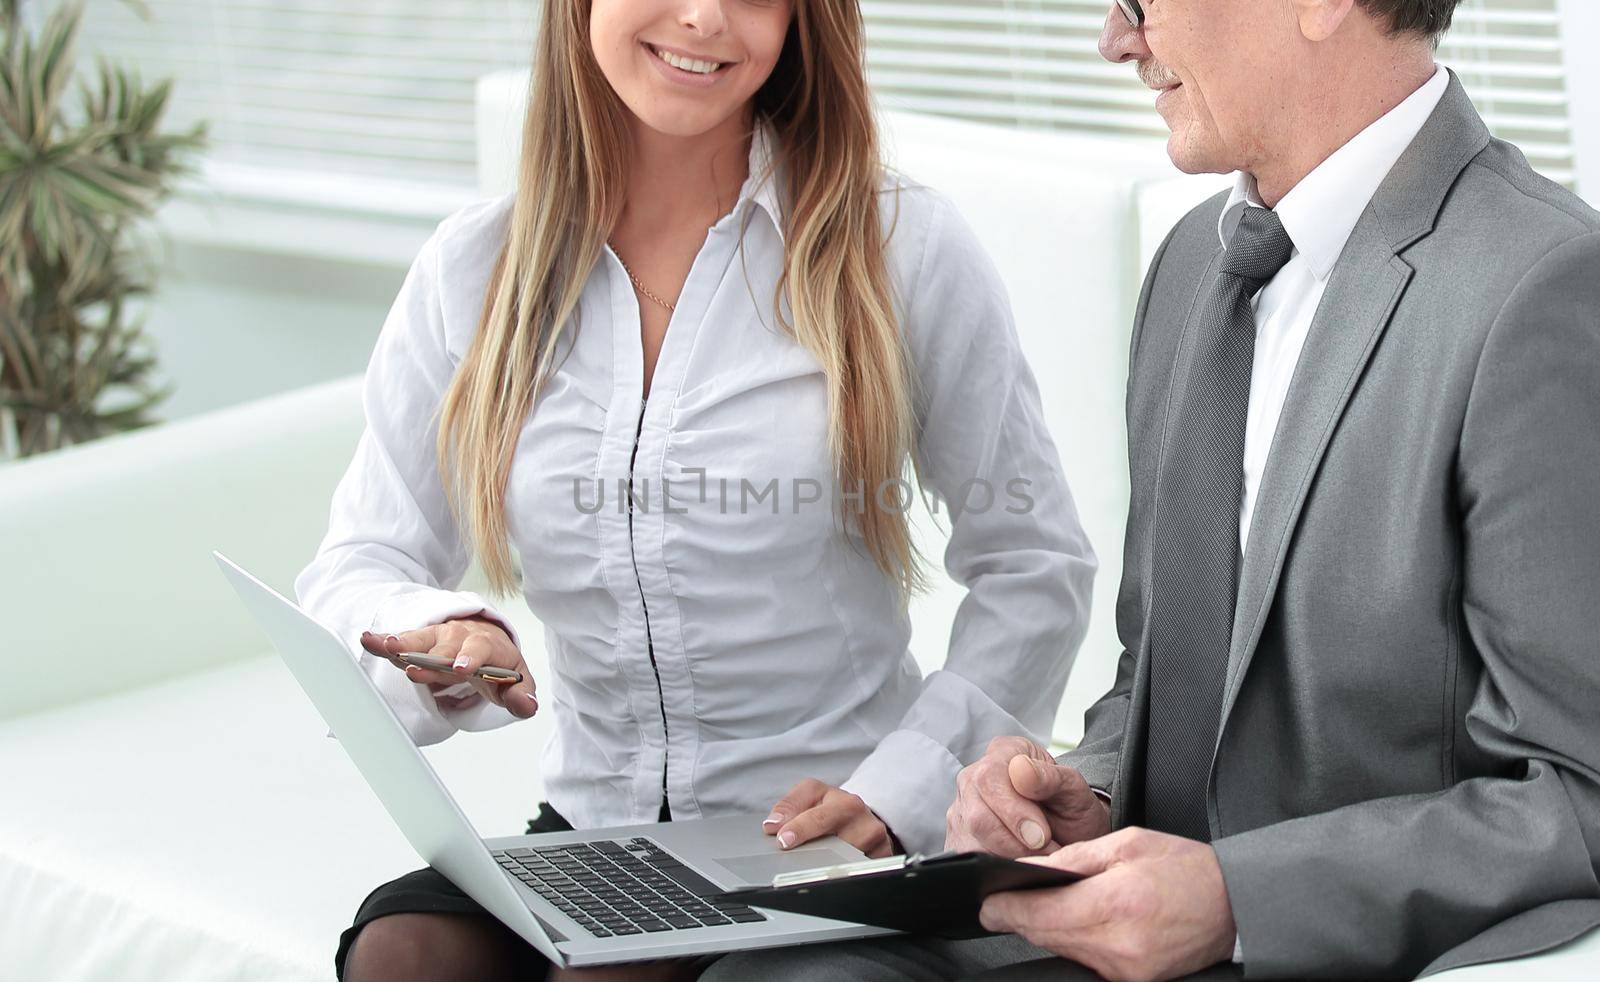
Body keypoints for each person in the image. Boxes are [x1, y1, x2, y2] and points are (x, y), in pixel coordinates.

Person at [705, 0, 1600, 979]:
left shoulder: (1542, 286)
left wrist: (1235, 903)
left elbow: (1579, 794)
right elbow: (1154, 679)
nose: (1114, 40)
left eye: (1140, 2)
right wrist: (1078, 794)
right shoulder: (1190, 267)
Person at [293, 0, 1097, 979]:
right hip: (598, 833)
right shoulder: (475, 268)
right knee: (404, 952)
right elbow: (360, 560)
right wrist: (439, 629)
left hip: (833, 840)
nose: (707, 16)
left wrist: (902, 790)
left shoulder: (899, 246)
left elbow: (1034, 562)